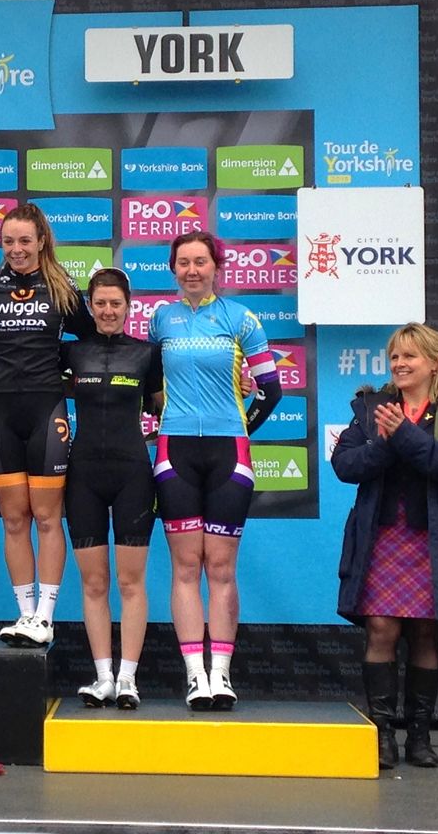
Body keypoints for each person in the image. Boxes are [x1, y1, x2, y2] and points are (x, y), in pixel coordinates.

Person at [331, 322, 438, 770]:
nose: (400, 365)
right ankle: (382, 737)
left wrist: (403, 434)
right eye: (395, 357)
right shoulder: (371, 409)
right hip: (382, 538)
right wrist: (386, 443)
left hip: (432, 538)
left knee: (425, 631)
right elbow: (345, 465)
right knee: (381, 629)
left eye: (410, 357)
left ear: (434, 364)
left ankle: (419, 737)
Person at [147, 232, 282, 711]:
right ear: (173, 269)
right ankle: (194, 676)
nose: (192, 271)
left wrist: (242, 426)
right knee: (186, 567)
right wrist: (152, 416)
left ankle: (221, 675)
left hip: (229, 450)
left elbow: (271, 388)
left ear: (216, 266)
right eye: (182, 263)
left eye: (200, 262)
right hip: (175, 450)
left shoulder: (241, 319)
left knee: (221, 567)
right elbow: (147, 388)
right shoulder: (160, 319)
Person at [0, 203, 95, 647]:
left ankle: (46, 615)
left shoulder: (62, 287)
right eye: (8, 241)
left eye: (25, 241)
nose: (16, 249)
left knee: (46, 516)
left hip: (47, 411)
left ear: (42, 240)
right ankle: (23, 614)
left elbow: (91, 341)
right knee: (14, 518)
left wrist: (62, 370)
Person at [61, 268, 162, 708]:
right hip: (82, 473)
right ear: (91, 305)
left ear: (128, 307)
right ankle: (102, 676)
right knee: (94, 582)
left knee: (130, 580)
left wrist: (234, 391)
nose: (106, 311)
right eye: (99, 303)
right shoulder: (73, 352)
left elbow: (167, 408)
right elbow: (23, 377)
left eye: (115, 304)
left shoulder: (147, 354)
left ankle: (128, 679)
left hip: (133, 473)